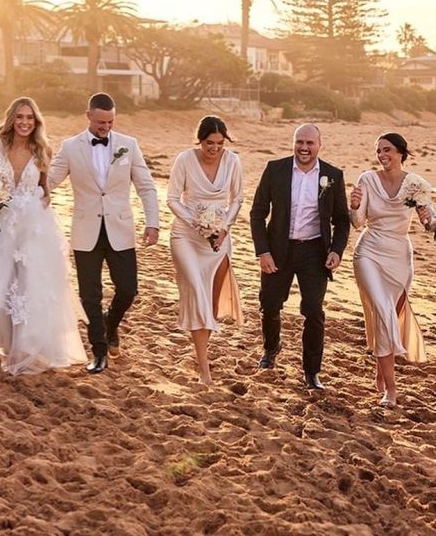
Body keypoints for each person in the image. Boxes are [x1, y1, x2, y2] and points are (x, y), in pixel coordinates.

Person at [0, 97, 87, 375]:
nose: (24, 123)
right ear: (11, 119)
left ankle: (20, 352)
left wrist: (41, 201)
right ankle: (6, 344)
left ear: (36, 122)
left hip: (33, 229)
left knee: (29, 292)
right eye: (20, 117)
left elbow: (45, 188)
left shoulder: (43, 149)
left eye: (29, 118)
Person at [47, 92, 159, 374]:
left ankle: (110, 324)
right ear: (88, 116)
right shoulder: (70, 147)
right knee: (90, 297)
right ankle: (98, 352)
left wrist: (153, 222)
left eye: (110, 122)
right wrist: (17, 194)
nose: (105, 127)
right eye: (100, 122)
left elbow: (145, 186)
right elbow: (49, 182)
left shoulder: (128, 145)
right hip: (86, 231)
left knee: (128, 289)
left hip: (120, 229)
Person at [249, 124, 349, 390]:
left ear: (319, 144)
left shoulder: (333, 176)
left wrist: (336, 251)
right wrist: (263, 251)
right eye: (299, 142)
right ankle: (271, 349)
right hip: (278, 250)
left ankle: (311, 371)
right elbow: (257, 213)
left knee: (314, 311)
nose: (304, 148)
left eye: (309, 143)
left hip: (314, 252)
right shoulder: (275, 170)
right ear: (293, 143)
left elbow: (341, 220)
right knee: (270, 306)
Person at [350, 133, 435, 408]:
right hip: (369, 253)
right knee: (384, 310)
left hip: (399, 257)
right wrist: (352, 206)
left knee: (390, 313)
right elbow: (357, 222)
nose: (382, 154)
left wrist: (429, 219)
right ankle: (391, 389)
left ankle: (380, 366)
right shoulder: (367, 179)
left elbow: (430, 221)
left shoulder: (415, 184)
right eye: (378, 151)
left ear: (400, 152)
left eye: (387, 149)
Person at [167, 116, 244, 385]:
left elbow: (237, 199)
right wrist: (195, 222)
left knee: (210, 304)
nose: (214, 148)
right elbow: (172, 199)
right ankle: (204, 370)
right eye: (209, 143)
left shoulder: (232, 161)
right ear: (200, 140)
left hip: (219, 238)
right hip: (186, 236)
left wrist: (224, 227)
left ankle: (201, 355)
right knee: (197, 293)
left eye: (220, 143)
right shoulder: (184, 160)